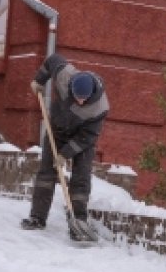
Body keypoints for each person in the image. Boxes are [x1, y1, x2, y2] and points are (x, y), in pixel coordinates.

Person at [21, 53, 109, 236]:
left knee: (81, 179)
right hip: (58, 130)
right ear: (71, 87)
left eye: (84, 99)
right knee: (46, 173)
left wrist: (65, 154)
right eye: (77, 97)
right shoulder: (64, 75)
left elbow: (89, 136)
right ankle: (37, 217)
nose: (80, 101)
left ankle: (78, 223)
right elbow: (52, 60)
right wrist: (39, 80)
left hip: (82, 139)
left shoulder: (99, 107)